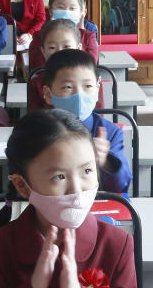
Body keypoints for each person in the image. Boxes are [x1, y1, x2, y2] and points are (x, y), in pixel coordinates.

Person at [0, 109, 136, 288]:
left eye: (87, 171)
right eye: (59, 177)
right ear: (22, 186)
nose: (77, 189)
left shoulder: (116, 245)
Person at [42, 50, 131, 194]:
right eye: (67, 87)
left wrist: (105, 162)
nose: (79, 95)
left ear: (97, 89)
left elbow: (121, 185)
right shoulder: (36, 131)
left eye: (87, 87)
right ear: (48, 94)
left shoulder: (110, 133)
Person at [27, 20, 104, 112]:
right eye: (52, 47)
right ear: (43, 51)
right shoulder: (37, 83)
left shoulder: (91, 80)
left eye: (67, 46)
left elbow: (99, 113)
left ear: (79, 48)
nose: (59, 51)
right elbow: (35, 117)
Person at [29, 0, 98, 70]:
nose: (66, 11)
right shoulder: (39, 36)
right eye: (61, 7)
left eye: (72, 8)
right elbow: (37, 66)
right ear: (51, 11)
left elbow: (90, 66)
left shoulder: (88, 37)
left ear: (82, 12)